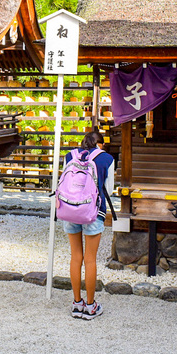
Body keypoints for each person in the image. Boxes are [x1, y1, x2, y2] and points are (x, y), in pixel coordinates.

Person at [62, 129, 115, 320]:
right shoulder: (106, 159)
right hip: (92, 212)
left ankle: (77, 304)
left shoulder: (70, 156)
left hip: (69, 210)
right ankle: (91, 306)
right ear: (100, 144)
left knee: (76, 257)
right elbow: (108, 190)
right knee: (90, 259)